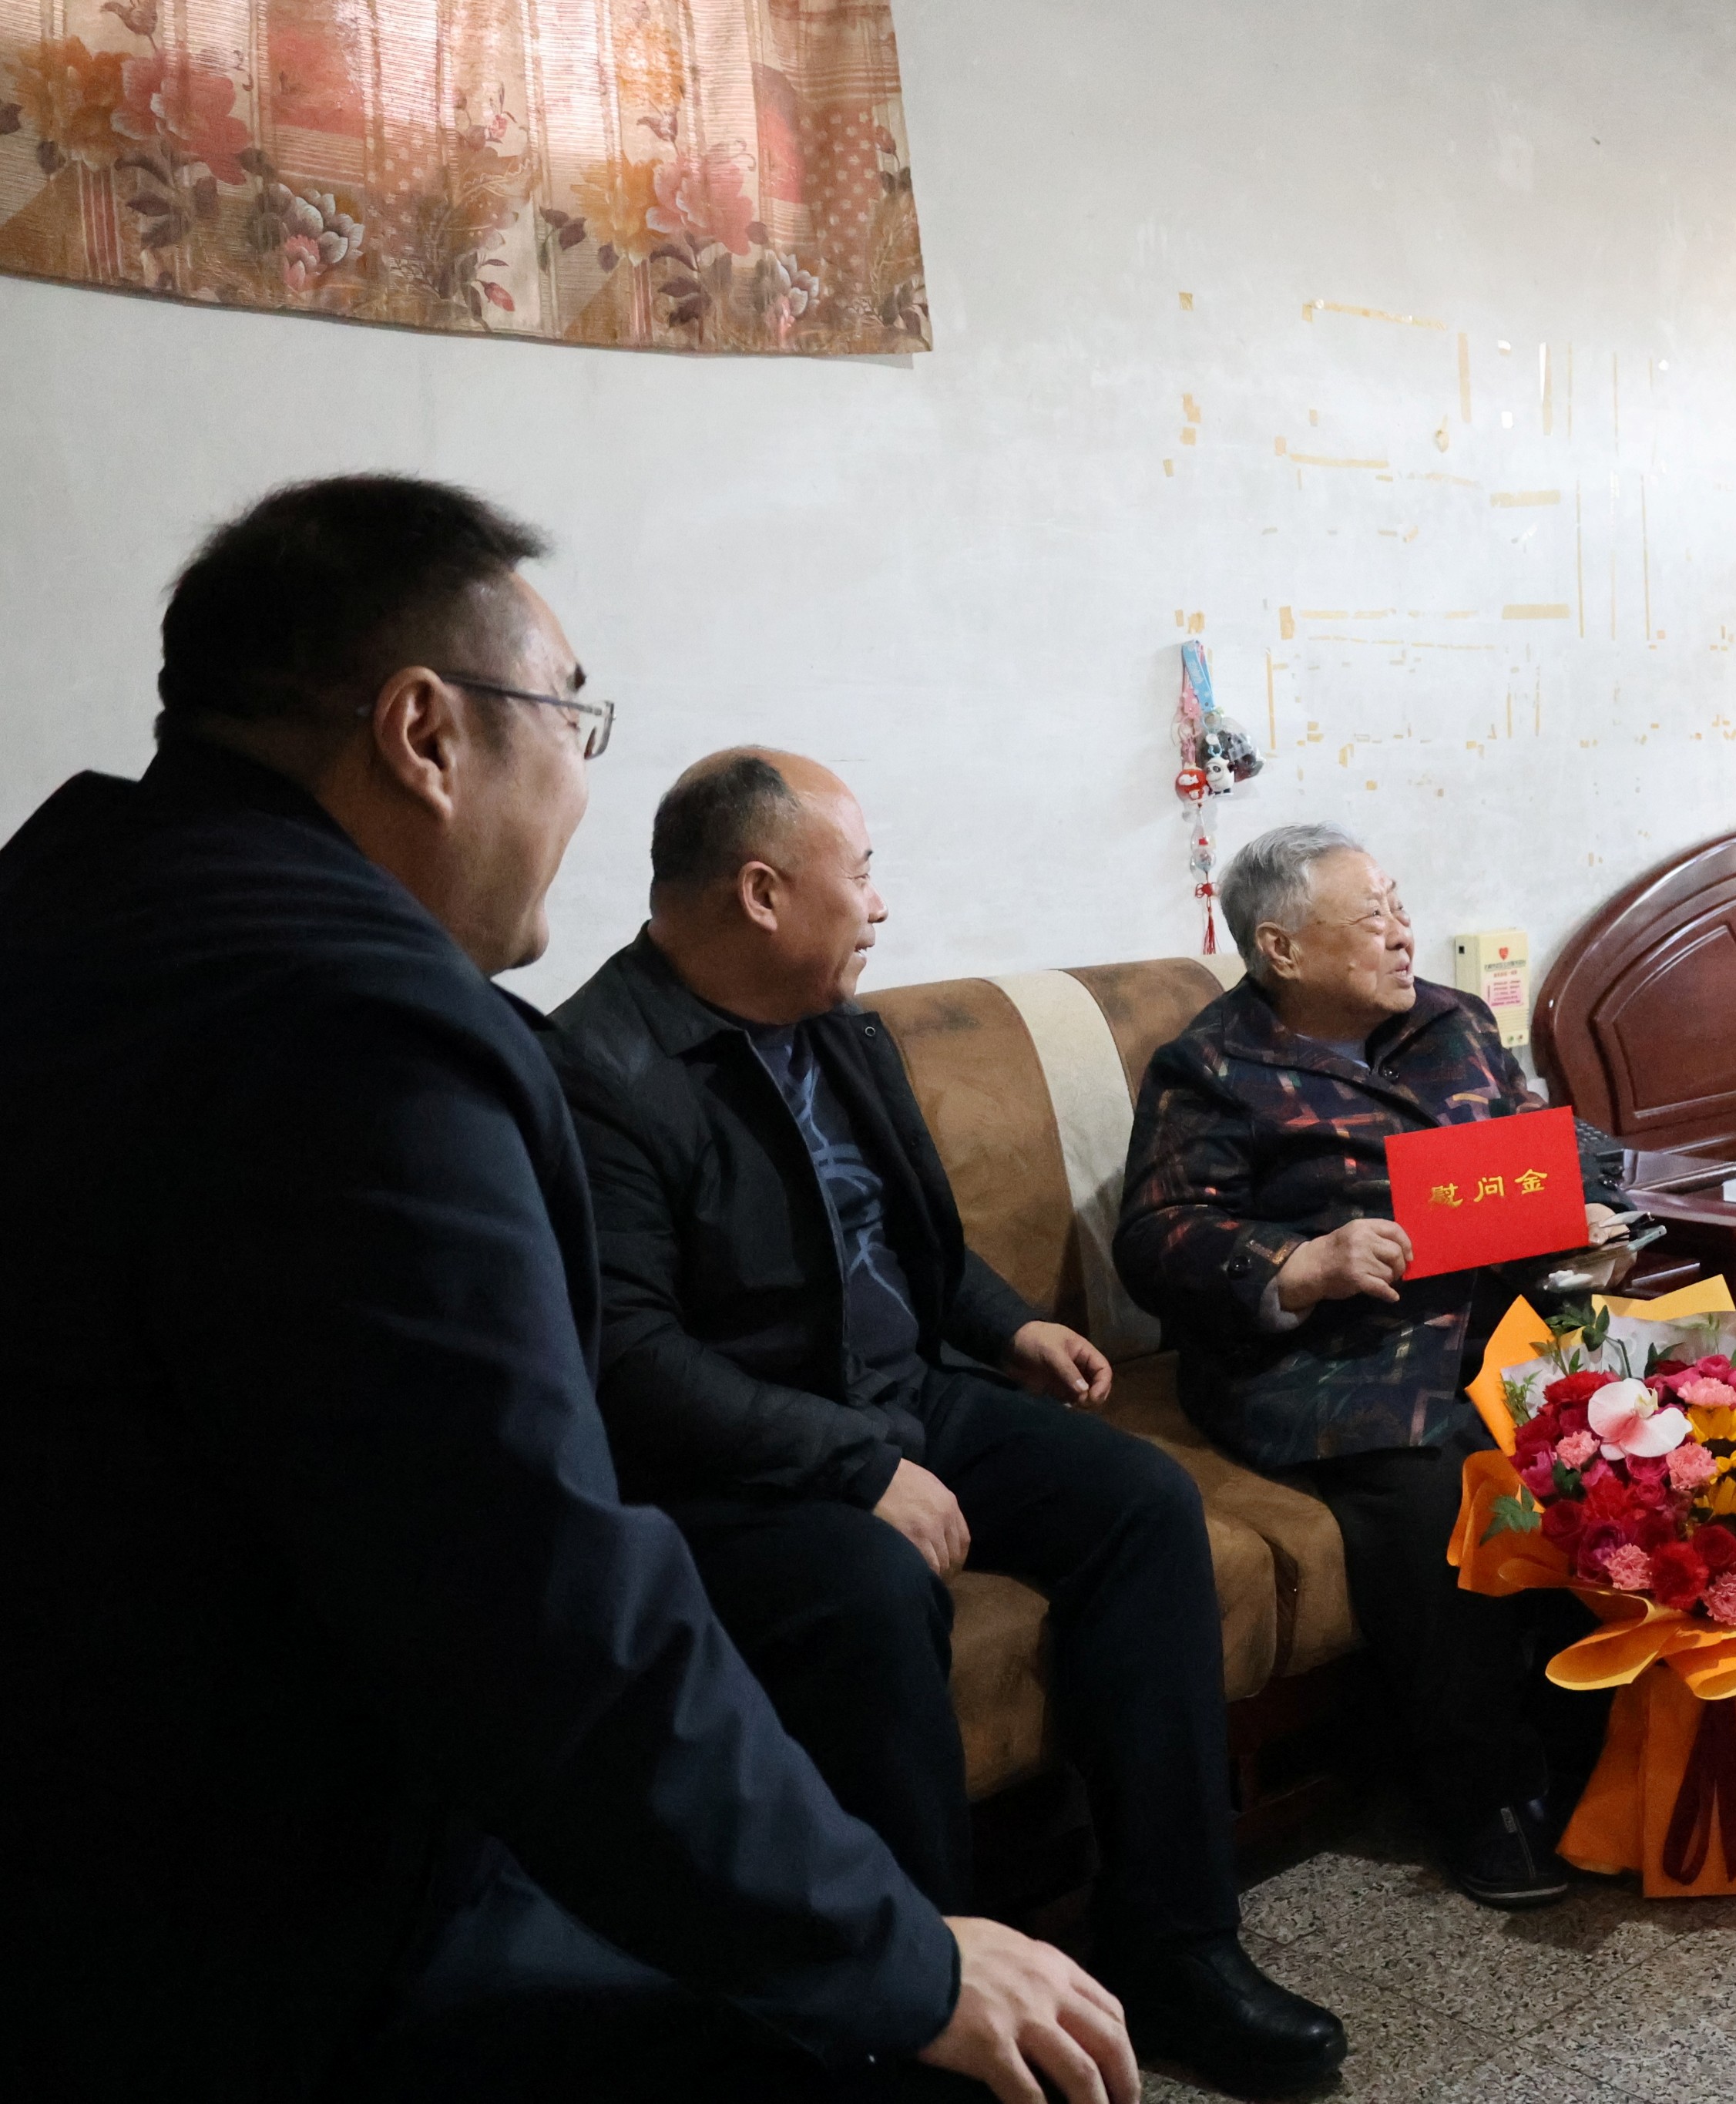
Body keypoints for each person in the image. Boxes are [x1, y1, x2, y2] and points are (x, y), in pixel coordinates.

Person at [0, 475, 1134, 2104]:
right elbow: (530, 1593)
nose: (585, 787)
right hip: (257, 1880)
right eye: (570, 719)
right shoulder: (369, 1032)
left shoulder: (76, 898)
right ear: (426, 732)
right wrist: (899, 1954)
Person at [545, 750, 1344, 2097]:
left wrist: (1009, 1326)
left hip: (902, 1393)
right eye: (859, 874)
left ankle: (1175, 1948)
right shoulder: (598, 1071)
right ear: (760, 892)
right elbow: (628, 1355)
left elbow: (913, 1241)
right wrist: (860, 1466)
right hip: (733, 1463)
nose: (878, 905)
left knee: (1143, 1505)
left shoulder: (841, 1028)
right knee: (868, 1590)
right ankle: (922, 2009)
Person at [1114, 823, 1617, 1911]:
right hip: (1332, 1352)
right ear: (1282, 948)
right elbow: (1157, 1234)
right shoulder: (1212, 1065)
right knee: (1439, 1478)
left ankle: (1605, 1748)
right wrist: (1296, 1263)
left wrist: (1585, 1207)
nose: (1402, 933)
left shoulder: (1453, 1019)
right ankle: (1476, 1794)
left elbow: (1542, 1144)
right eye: (1372, 915)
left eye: (1400, 905)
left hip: (1496, 1317)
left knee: (1622, 1428)